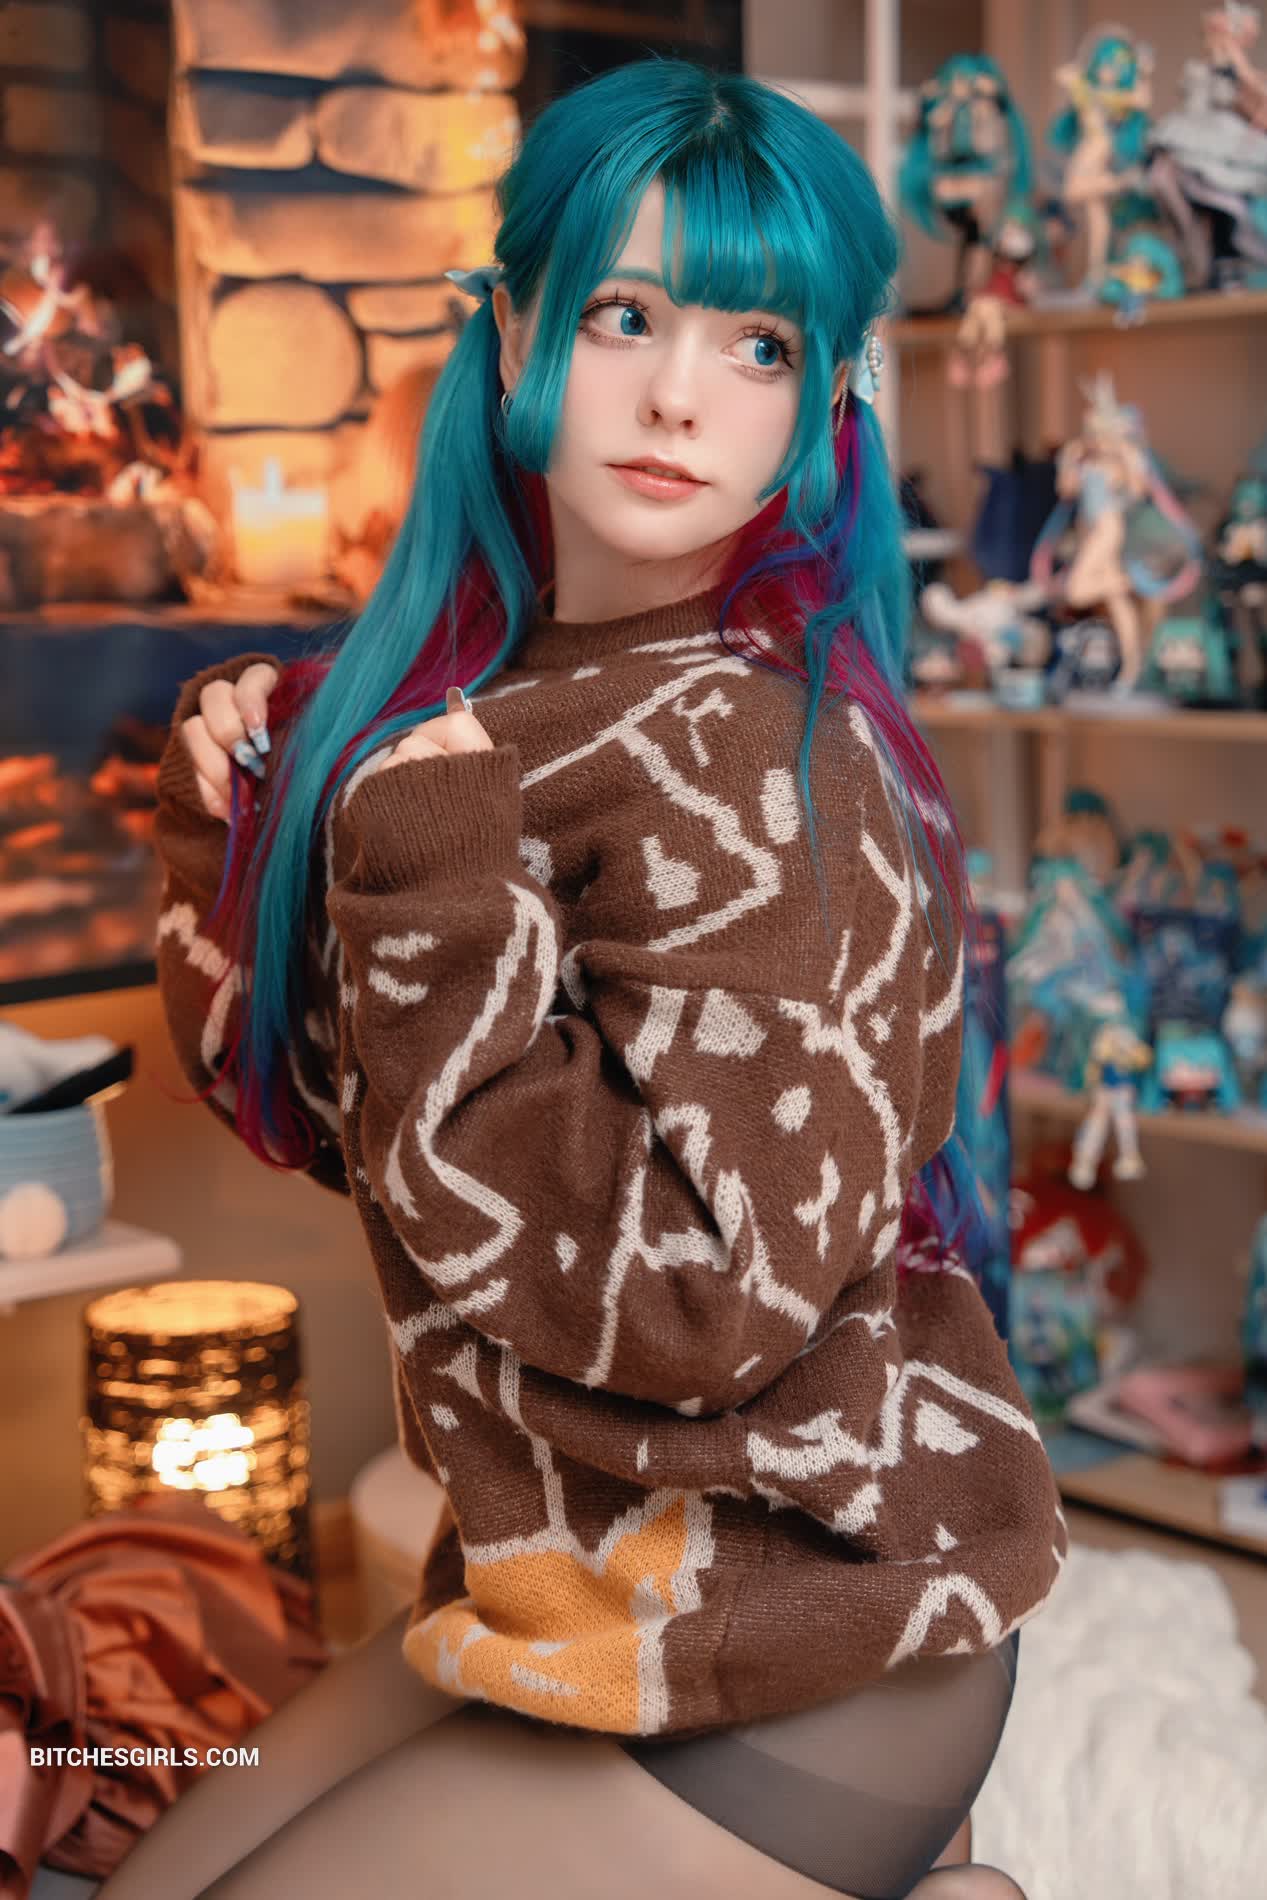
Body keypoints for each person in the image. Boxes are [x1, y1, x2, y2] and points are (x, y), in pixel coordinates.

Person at [114, 60, 1066, 1900]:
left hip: (804, 1632)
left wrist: (429, 875)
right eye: (625, 314)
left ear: (823, 407)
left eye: (757, 345)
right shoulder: (487, 711)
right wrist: (237, 839)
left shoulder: (772, 760)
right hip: (567, 1597)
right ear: (516, 330)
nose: (678, 395)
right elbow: (321, 1123)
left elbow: (704, 1305)